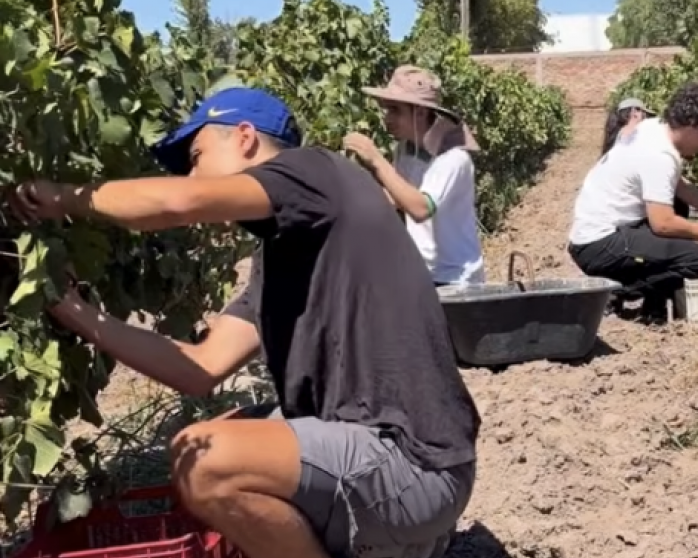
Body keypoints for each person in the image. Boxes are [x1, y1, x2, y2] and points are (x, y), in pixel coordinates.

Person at [10, 87, 480, 558]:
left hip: (416, 466)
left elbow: (180, 202)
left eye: (196, 156)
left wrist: (63, 197)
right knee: (230, 433)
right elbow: (199, 368)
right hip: (389, 466)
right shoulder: (282, 254)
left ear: (245, 137)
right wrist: (71, 309)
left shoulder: (317, 171)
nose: (192, 174)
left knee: (207, 460)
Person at [568, 82, 698, 323]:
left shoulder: (654, 128)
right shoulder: (660, 155)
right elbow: (662, 224)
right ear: (695, 125)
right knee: (697, 261)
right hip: (600, 244)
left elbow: (677, 185)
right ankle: (610, 292)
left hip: (594, 236)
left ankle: (654, 306)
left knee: (678, 209)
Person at [343, 66, 485, 287]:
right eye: (386, 110)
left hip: (455, 279)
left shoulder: (453, 158)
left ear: (419, 112)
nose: (387, 118)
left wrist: (376, 160)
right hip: (422, 271)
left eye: (394, 110)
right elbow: (399, 198)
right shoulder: (405, 150)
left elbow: (420, 209)